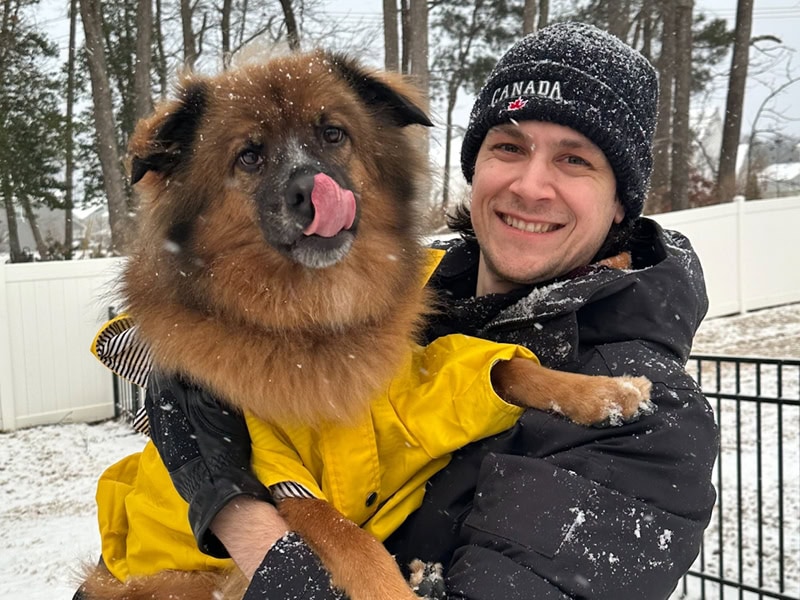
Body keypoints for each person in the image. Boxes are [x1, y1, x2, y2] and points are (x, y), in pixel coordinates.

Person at [122, 21, 719, 599]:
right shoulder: (393, 298)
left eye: (575, 160)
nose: (530, 185)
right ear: (476, 167)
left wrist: (232, 509)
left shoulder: (651, 423)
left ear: (621, 204)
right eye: (509, 147)